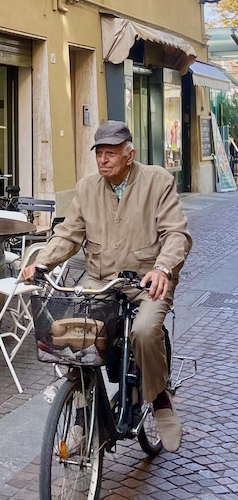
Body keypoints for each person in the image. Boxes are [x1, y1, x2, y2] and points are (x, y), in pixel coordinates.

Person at [23, 120, 192, 452]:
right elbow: (69, 234)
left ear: (129, 155)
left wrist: (162, 268)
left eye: (111, 153)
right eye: (99, 152)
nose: (103, 159)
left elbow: (177, 234)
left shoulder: (157, 182)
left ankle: (158, 398)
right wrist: (42, 262)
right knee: (72, 333)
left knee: (143, 332)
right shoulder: (87, 188)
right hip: (101, 280)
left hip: (147, 281)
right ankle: (83, 417)